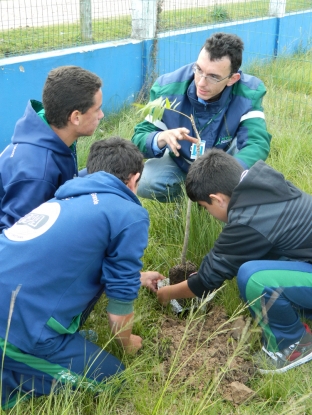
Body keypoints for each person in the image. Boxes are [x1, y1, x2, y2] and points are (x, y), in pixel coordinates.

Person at [0, 137, 164, 410]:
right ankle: (14, 375)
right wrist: (127, 343)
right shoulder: (128, 213)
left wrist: (138, 277)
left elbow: (65, 260)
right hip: (17, 326)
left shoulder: (67, 195)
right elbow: (118, 307)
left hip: (11, 303)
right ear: (134, 179)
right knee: (116, 379)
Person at [157, 148, 312, 374]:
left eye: (205, 207)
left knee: (254, 279)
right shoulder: (261, 184)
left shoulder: (247, 220)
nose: (209, 213)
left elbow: (208, 279)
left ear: (217, 199)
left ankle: (294, 345)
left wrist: (166, 293)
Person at [132, 32, 272, 202]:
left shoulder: (248, 94)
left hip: (224, 164)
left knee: (247, 176)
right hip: (182, 162)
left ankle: (223, 208)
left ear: (232, 79)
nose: (201, 82)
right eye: (199, 69)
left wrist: (226, 175)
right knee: (146, 180)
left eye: (213, 77)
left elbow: (256, 143)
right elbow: (138, 138)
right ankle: (186, 204)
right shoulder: (167, 89)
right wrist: (160, 137)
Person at [0, 65, 104, 232]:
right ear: (75, 117)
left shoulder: (50, 135)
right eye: (97, 109)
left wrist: (100, 172)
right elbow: (15, 239)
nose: (101, 115)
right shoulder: (37, 172)